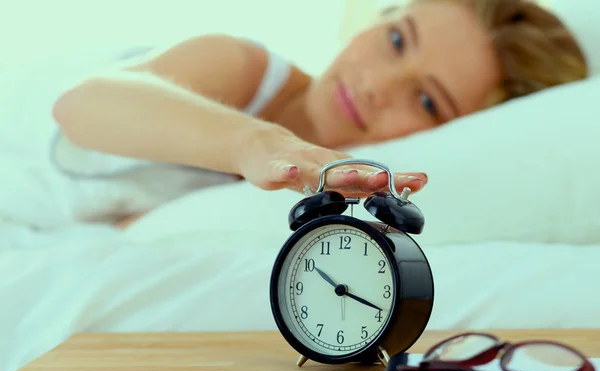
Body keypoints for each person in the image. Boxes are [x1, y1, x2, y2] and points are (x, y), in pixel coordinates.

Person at [49, 0, 588, 229]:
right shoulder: (239, 67)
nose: (375, 84)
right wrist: (256, 144)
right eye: (396, 39)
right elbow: (79, 106)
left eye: (426, 101)